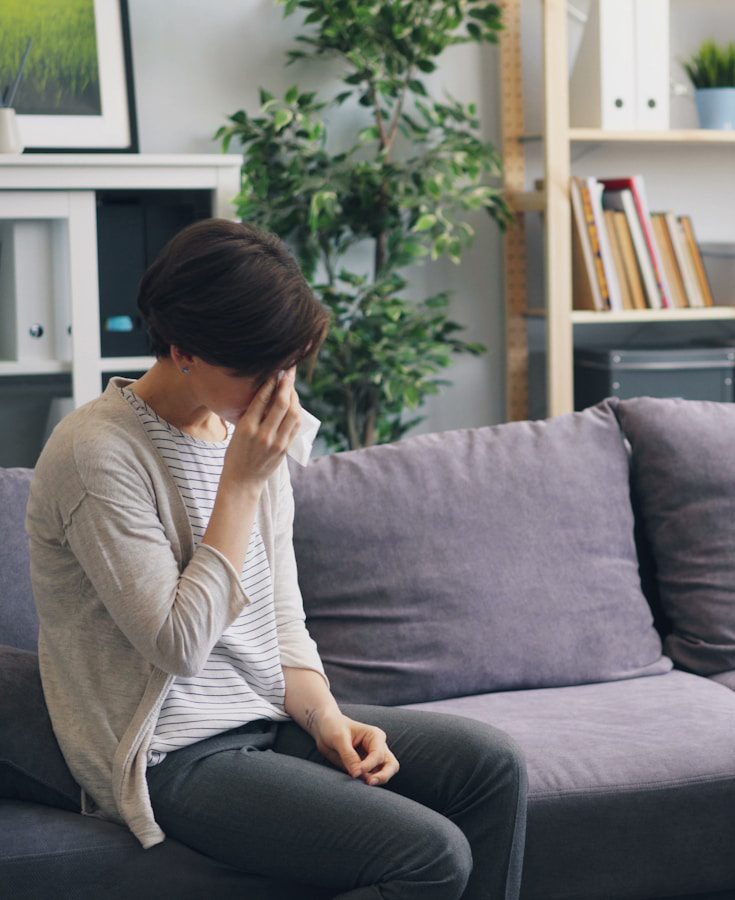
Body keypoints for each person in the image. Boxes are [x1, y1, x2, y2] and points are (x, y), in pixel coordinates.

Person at [26, 219, 528, 899]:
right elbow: (178, 646)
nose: (278, 392)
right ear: (184, 351)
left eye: (287, 367)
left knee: (492, 765)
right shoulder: (96, 453)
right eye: (257, 371)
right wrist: (240, 483)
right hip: (171, 755)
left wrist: (327, 720)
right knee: (431, 856)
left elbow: (281, 621)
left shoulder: (248, 431)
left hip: (267, 717)